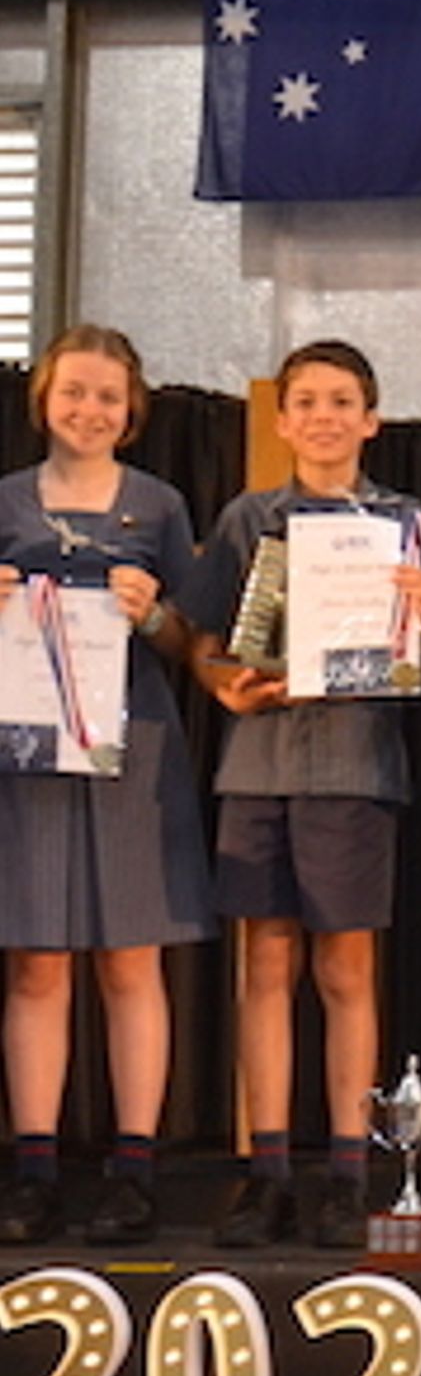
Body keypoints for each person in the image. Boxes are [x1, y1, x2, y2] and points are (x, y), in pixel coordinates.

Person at [184, 337, 421, 1250]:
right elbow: (205, 641)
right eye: (307, 402)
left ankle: (346, 1173)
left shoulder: (406, 525)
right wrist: (222, 683)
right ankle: (267, 1175)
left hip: (354, 766)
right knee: (265, 967)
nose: (324, 417)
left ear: (371, 421)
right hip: (259, 765)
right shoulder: (249, 518)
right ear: (284, 420)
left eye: (341, 402)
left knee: (346, 972)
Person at [0, 326, 212, 1247]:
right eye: (74, 392)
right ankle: (34, 1170)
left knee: (132, 961)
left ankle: (134, 1171)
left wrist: (154, 612)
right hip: (29, 754)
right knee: (36, 963)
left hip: (135, 748)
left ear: (132, 414)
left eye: (108, 397)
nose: (89, 410)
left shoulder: (159, 506)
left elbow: (191, 642)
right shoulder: (5, 502)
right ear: (43, 399)